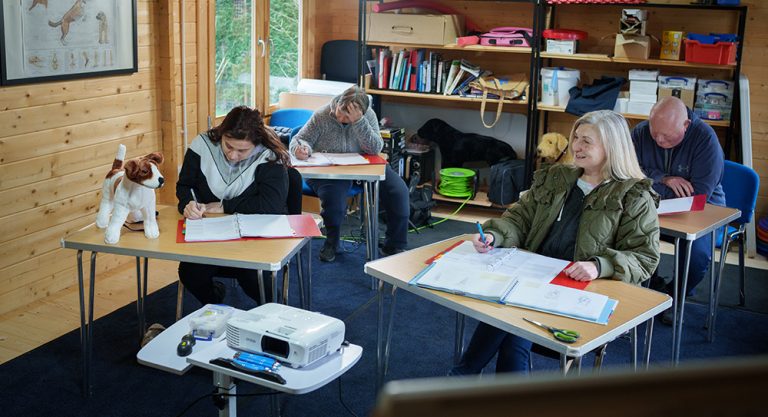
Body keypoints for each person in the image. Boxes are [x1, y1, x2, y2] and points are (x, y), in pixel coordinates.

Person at [450, 110, 660, 375]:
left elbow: (644, 257)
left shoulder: (634, 195)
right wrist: (495, 235)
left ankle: (463, 376)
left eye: (587, 141)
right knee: (511, 312)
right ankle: (483, 386)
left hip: (584, 291)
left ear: (611, 146)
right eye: (576, 138)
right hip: (535, 277)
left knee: (512, 317)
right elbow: (520, 217)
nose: (576, 147)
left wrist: (600, 265)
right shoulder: (557, 177)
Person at [176, 105, 291, 305]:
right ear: (222, 134)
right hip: (210, 236)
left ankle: (276, 320)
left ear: (256, 144)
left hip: (254, 239)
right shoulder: (202, 145)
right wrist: (188, 204)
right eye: (228, 145)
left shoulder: (270, 156)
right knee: (190, 274)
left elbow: (271, 204)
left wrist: (225, 206)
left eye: (242, 150)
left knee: (255, 280)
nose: (232, 155)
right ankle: (216, 303)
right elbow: (184, 185)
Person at [289, 86, 409, 262]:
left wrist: (359, 123)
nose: (340, 118)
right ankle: (332, 242)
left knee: (399, 191)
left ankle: (394, 244)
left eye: (347, 117)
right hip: (331, 169)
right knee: (334, 200)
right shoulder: (322, 115)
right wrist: (300, 148)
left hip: (364, 166)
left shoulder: (368, 116)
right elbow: (299, 139)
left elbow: (375, 148)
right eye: (340, 112)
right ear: (337, 103)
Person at [632, 96, 725, 313]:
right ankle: (649, 284)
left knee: (697, 254)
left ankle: (676, 295)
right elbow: (627, 173)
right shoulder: (640, 132)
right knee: (626, 233)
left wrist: (649, 184)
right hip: (651, 207)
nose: (660, 141)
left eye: (667, 136)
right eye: (655, 133)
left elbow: (697, 195)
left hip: (702, 210)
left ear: (686, 125)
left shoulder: (705, 139)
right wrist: (664, 179)